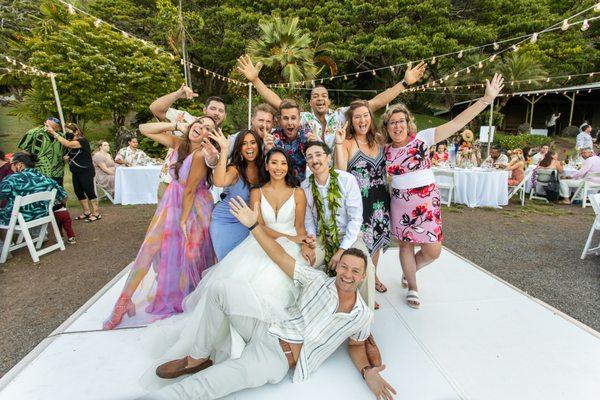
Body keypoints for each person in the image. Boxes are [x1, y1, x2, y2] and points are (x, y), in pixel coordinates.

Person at [140, 197, 395, 400]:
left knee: (210, 385)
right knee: (220, 289)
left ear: (363, 277)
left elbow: (356, 345)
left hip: (276, 357)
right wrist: (254, 225)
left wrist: (368, 371)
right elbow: (279, 256)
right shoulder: (318, 281)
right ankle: (198, 357)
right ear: (337, 267)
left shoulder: (362, 315)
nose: (347, 275)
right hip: (267, 324)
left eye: (355, 271)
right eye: (344, 267)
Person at [383, 74, 504, 309]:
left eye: (401, 121)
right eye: (392, 122)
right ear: (386, 127)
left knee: (433, 250)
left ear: (408, 123)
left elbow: (458, 123)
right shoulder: (385, 149)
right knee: (406, 245)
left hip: (426, 202)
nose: (397, 126)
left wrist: (486, 100)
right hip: (400, 202)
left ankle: (410, 272)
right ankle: (413, 286)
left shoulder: (422, 139)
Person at [103, 117, 219, 329]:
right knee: (149, 248)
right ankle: (123, 301)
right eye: (198, 124)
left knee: (190, 254)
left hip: (193, 207)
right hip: (171, 202)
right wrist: (176, 126)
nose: (200, 128)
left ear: (209, 137)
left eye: (207, 129)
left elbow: (191, 189)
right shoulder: (178, 144)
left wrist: (183, 220)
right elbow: (145, 129)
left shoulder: (202, 154)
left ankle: (191, 297)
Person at [237, 54, 426, 149]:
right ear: (310, 102)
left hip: (339, 174)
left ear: (328, 101)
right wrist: (255, 80)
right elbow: (278, 102)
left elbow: (374, 104)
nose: (320, 99)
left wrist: (404, 83)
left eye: (324, 96)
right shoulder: (301, 118)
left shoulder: (341, 114)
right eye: (315, 96)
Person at [300, 141, 376, 309]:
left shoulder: (346, 180)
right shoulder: (305, 186)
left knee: (365, 268)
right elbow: (308, 220)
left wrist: (341, 250)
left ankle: (364, 324)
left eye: (318, 155)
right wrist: (311, 239)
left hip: (349, 237)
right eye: (310, 157)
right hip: (321, 237)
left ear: (328, 158)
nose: (314, 160)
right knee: (302, 264)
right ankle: (317, 311)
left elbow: (356, 219)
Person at [334, 100, 390, 294]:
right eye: (357, 116)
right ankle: (363, 289)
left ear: (370, 118)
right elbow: (340, 171)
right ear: (351, 120)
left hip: (381, 202)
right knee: (361, 247)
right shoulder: (348, 143)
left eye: (365, 115)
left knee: (376, 243)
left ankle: (373, 277)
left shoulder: (380, 140)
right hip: (360, 204)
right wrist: (339, 143)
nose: (362, 120)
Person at [208, 129, 264, 261]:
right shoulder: (235, 169)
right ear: (239, 148)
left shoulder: (263, 167)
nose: (249, 147)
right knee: (228, 264)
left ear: (259, 145)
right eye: (244, 143)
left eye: (253, 142)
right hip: (225, 222)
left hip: (248, 224)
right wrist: (224, 149)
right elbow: (219, 181)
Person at [50, 123, 101, 222]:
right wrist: (67, 159)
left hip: (86, 171)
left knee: (89, 191)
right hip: (75, 171)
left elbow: (67, 144)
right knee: (78, 192)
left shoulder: (82, 141)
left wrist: (54, 133)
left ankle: (96, 213)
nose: (67, 133)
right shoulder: (72, 142)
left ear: (76, 131)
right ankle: (86, 212)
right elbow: (73, 156)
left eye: (69, 131)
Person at [0, 152, 67, 227]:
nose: (10, 166)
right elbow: (64, 198)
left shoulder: (11, 180)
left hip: (17, 219)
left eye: (11, 163)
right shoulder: (47, 179)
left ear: (19, 165)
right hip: (42, 216)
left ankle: (5, 239)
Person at [268, 99, 315, 182]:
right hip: (281, 183)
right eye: (286, 118)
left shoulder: (308, 135)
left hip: (305, 184)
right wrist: (268, 150)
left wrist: (313, 145)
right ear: (280, 121)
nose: (290, 122)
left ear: (299, 119)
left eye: (293, 118)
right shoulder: (274, 138)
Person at [17, 117, 65, 186]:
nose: (49, 129)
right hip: (39, 172)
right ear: (45, 124)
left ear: (59, 128)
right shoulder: (33, 133)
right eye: (47, 126)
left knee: (57, 193)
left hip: (57, 173)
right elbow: (24, 152)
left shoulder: (62, 136)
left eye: (53, 128)